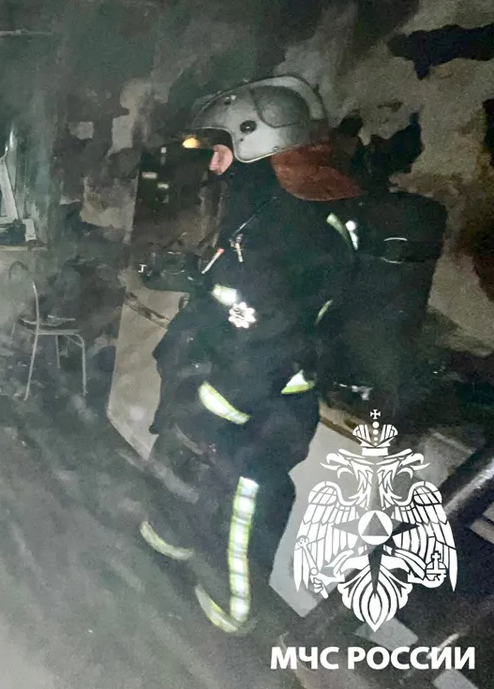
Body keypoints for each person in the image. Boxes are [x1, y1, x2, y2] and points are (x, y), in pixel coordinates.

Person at [138, 75, 361, 634]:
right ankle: (168, 544)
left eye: (221, 152)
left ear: (258, 147)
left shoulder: (301, 233)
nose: (213, 166)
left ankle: (230, 612)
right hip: (216, 379)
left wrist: (212, 405)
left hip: (264, 408)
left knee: (242, 500)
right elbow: (237, 296)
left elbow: (274, 340)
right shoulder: (259, 214)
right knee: (187, 469)